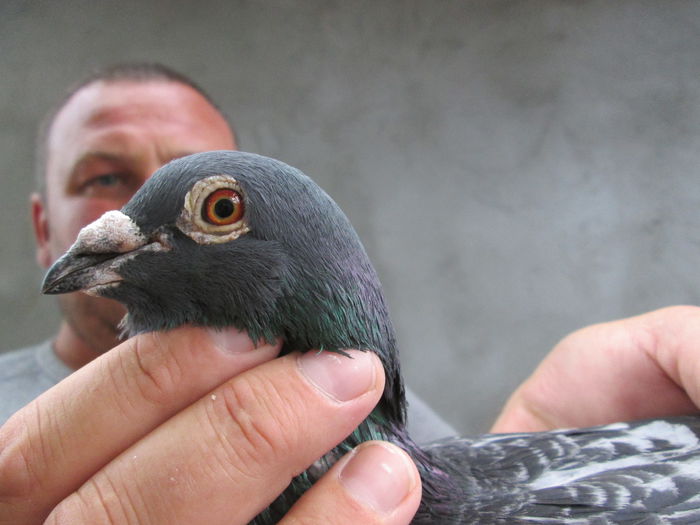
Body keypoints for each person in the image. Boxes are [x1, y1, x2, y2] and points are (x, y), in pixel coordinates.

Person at [0, 62, 449, 524]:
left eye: (219, 208)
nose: (135, 196)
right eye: (106, 178)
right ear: (41, 226)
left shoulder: (350, 399)